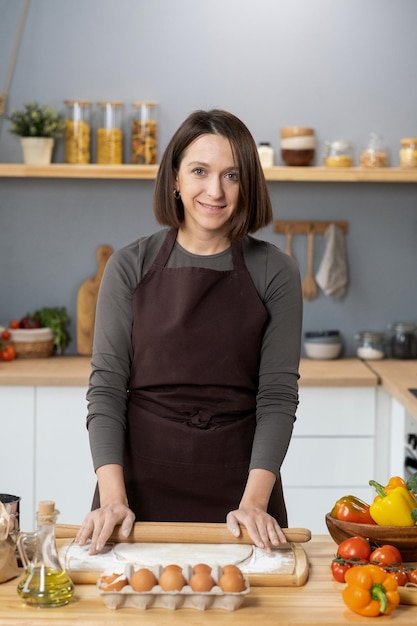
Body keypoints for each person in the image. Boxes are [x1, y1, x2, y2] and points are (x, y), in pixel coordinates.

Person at [76, 109, 302, 556]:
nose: (215, 191)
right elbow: (106, 390)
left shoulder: (276, 270)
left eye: (232, 175)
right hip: (136, 498)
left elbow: (277, 397)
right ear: (175, 179)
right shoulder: (129, 265)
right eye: (200, 171)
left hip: (241, 500)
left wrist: (255, 504)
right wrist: (114, 500)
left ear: (248, 184)